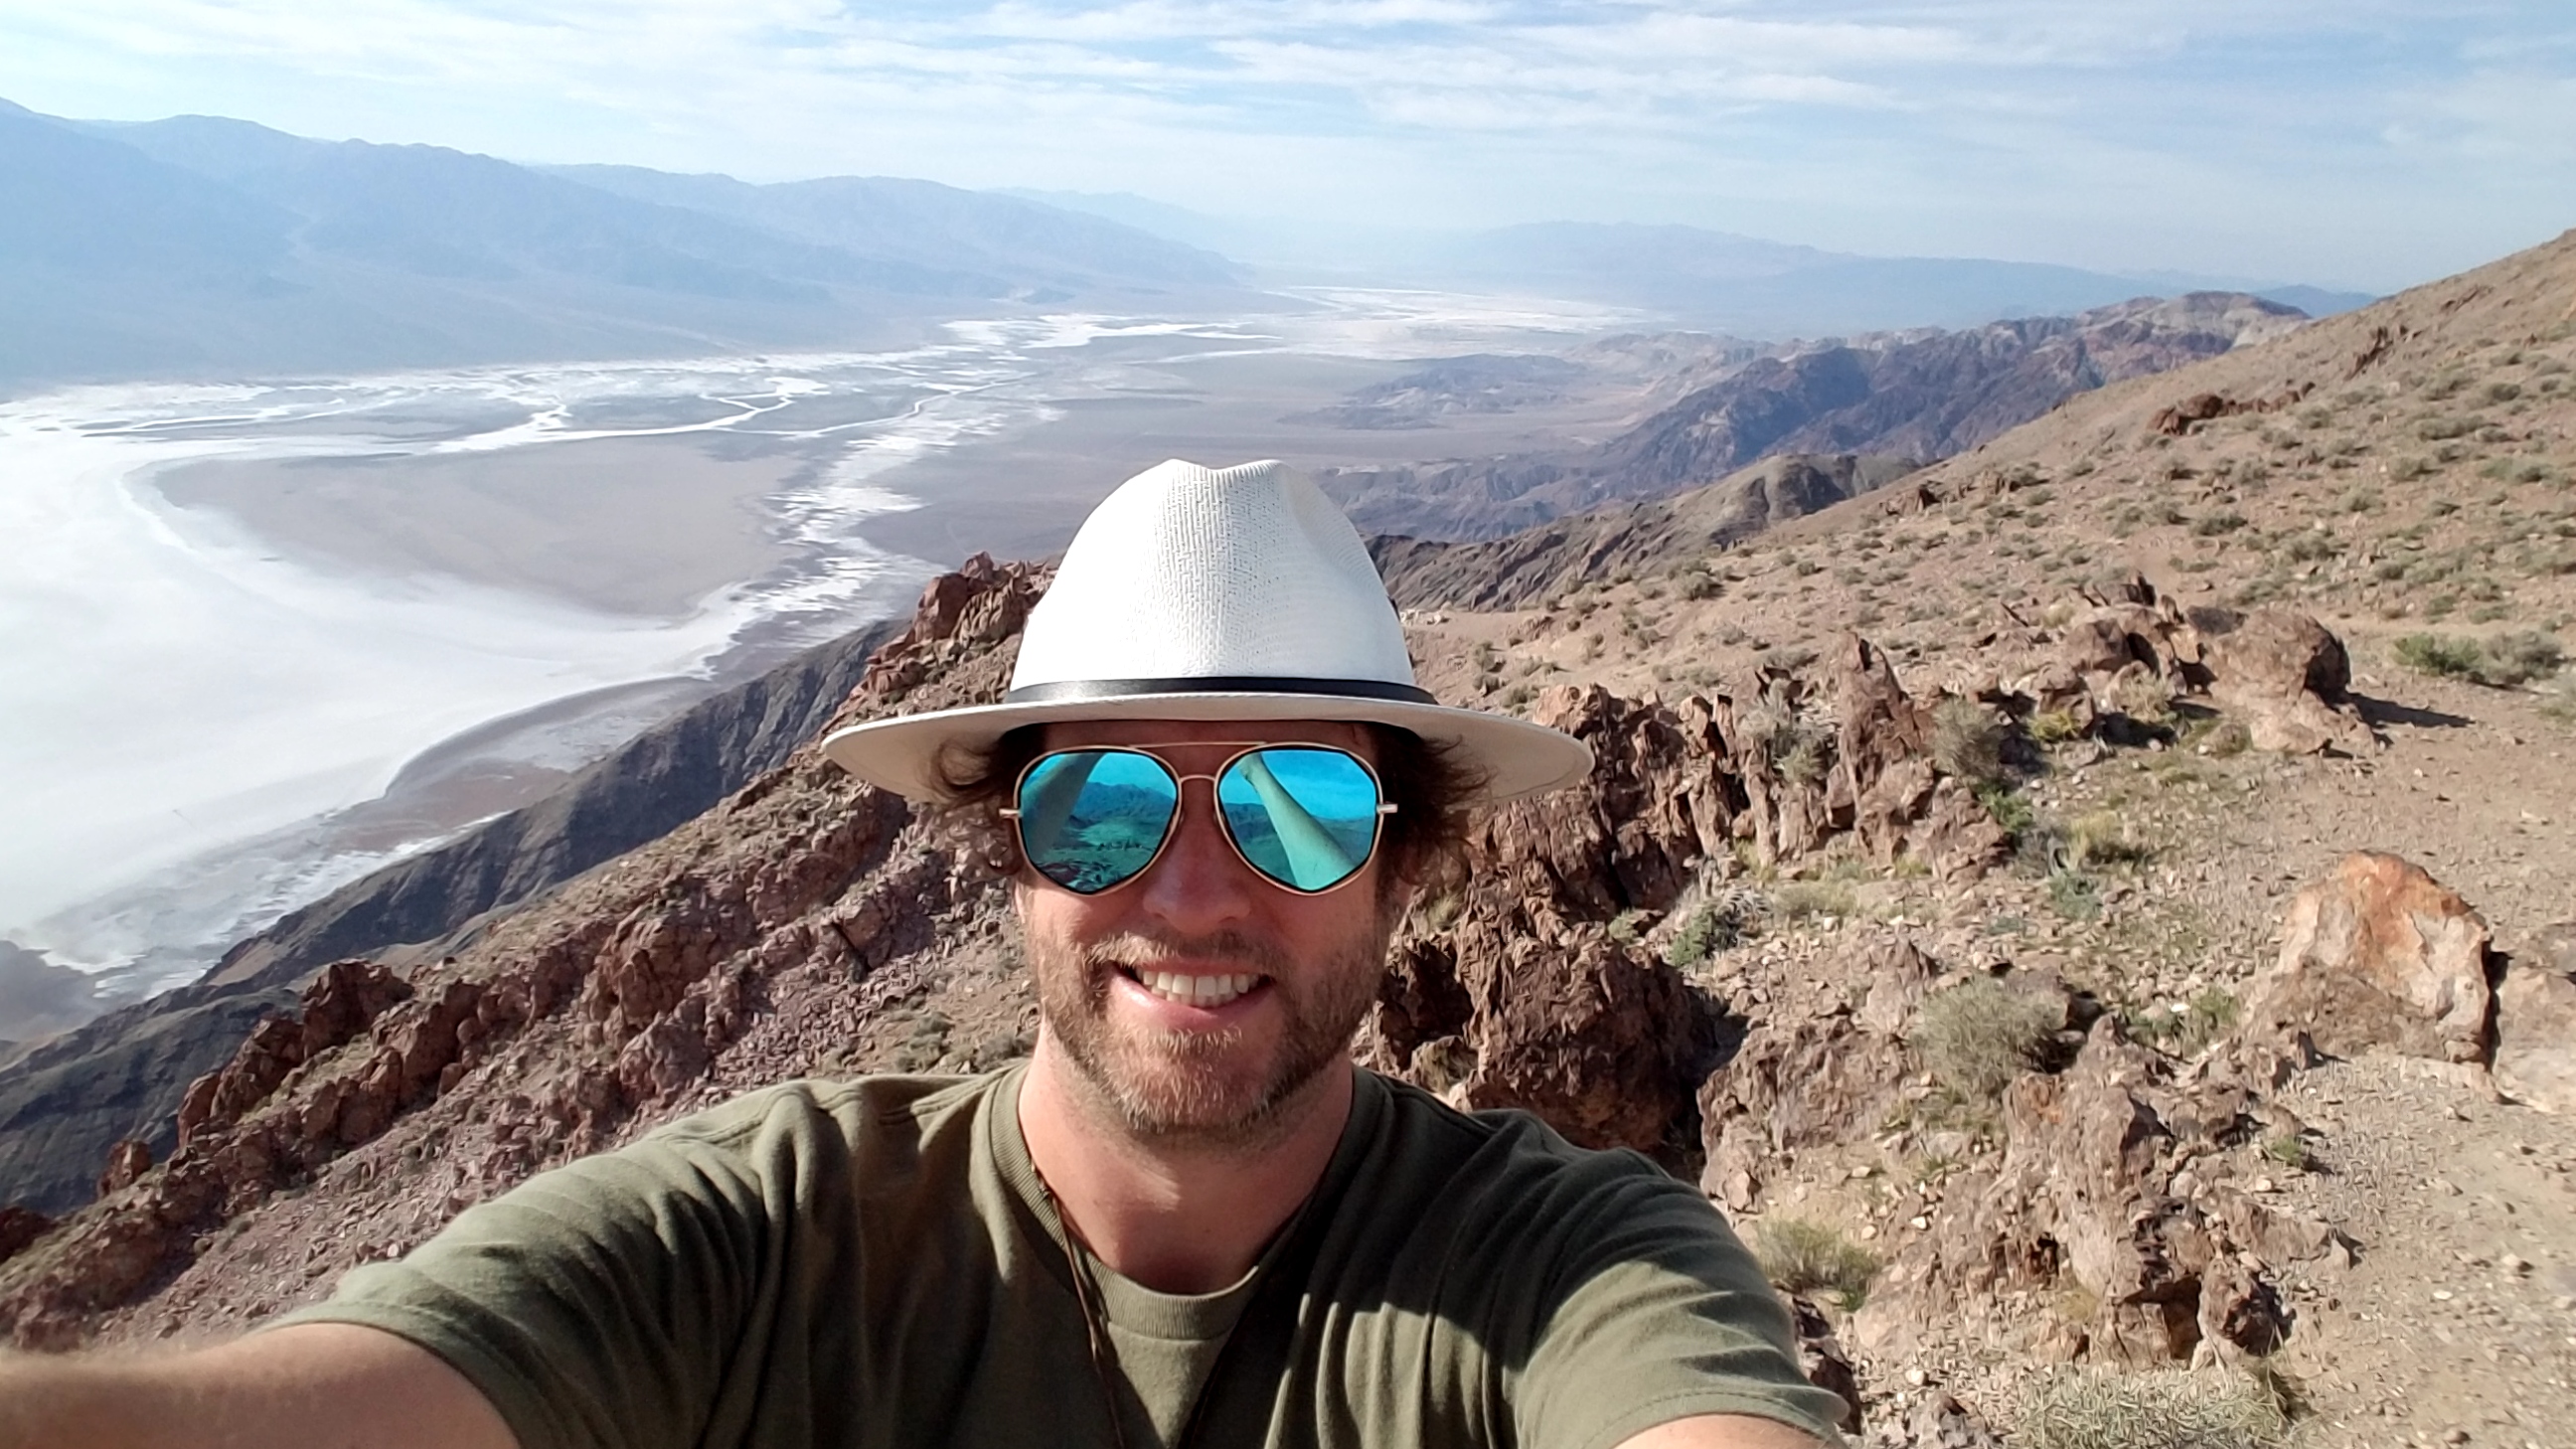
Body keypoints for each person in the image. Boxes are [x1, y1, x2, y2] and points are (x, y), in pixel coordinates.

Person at [0, 460, 1843, 1449]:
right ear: (1009, 860)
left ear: (1404, 866)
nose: (1196, 894)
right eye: (1103, 807)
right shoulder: (770, 1243)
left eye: (1298, 806)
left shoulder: (1573, 1265)